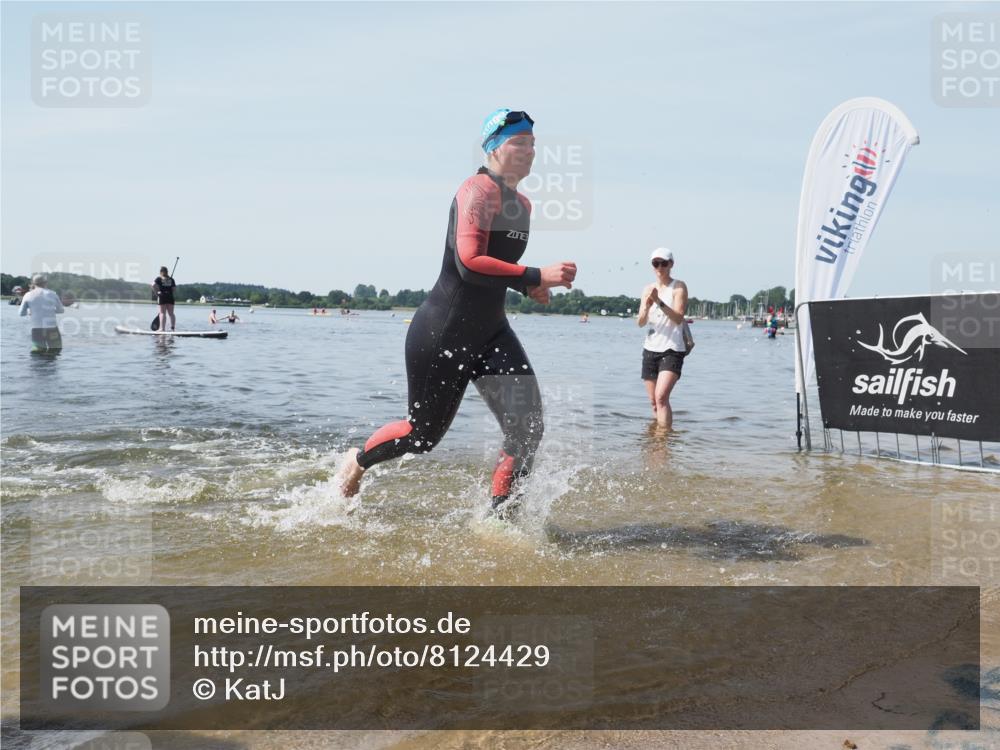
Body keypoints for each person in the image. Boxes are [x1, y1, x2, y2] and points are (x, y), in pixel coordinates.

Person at [336, 108, 577, 519]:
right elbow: (468, 262)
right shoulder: (476, 191)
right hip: (443, 332)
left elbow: (495, 264)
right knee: (422, 435)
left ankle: (501, 520)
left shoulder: (522, 204)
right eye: (520, 143)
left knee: (528, 428)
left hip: (491, 332)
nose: (529, 152)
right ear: (494, 148)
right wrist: (535, 272)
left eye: (533, 145)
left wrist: (527, 285)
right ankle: (356, 462)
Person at [637, 248, 690, 428]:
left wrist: (659, 302)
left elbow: (678, 318)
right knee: (653, 402)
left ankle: (663, 442)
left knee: (661, 397)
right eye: (655, 263)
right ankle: (656, 441)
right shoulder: (647, 289)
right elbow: (640, 322)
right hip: (650, 349)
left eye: (663, 263)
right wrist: (646, 306)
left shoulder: (679, 286)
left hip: (672, 349)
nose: (659, 267)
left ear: (671, 264)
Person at [19, 274, 65, 352]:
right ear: (45, 283)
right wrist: (50, 310)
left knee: (38, 352)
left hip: (37, 329)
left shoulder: (28, 295)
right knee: (55, 351)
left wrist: (29, 311)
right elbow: (61, 310)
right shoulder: (53, 294)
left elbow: (21, 313)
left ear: (33, 283)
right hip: (52, 329)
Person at [151, 266, 176, 331]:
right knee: (171, 313)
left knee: (162, 313)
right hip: (170, 297)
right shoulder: (171, 279)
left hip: (162, 296)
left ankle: (162, 329)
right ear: (167, 272)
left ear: (161, 272)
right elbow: (174, 289)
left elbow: (153, 285)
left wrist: (157, 292)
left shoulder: (159, 279)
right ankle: (172, 328)